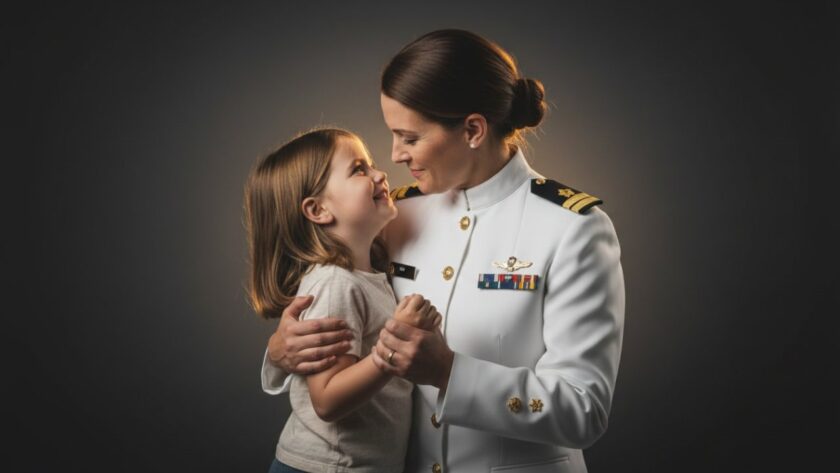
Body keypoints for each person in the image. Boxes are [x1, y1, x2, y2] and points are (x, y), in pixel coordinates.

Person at [261, 29, 625, 472]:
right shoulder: (396, 215)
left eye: (410, 138)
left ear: (473, 129)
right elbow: (340, 298)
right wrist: (285, 350)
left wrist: (449, 372)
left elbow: (584, 410)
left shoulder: (572, 228)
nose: (393, 155)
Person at [244, 128, 442, 472]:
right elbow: (328, 399)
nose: (380, 175)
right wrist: (394, 348)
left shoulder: (363, 275)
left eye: (370, 165)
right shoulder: (336, 283)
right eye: (359, 169)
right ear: (318, 210)